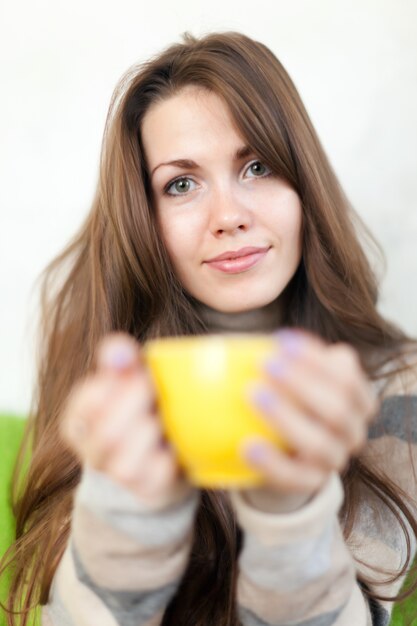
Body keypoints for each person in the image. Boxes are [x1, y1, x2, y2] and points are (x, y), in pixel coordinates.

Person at [1, 30, 417, 626]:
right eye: (181, 184)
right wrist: (124, 522)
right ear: (144, 219)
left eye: (258, 166)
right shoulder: (107, 375)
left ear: (304, 186)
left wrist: (291, 515)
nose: (229, 216)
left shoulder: (394, 385)